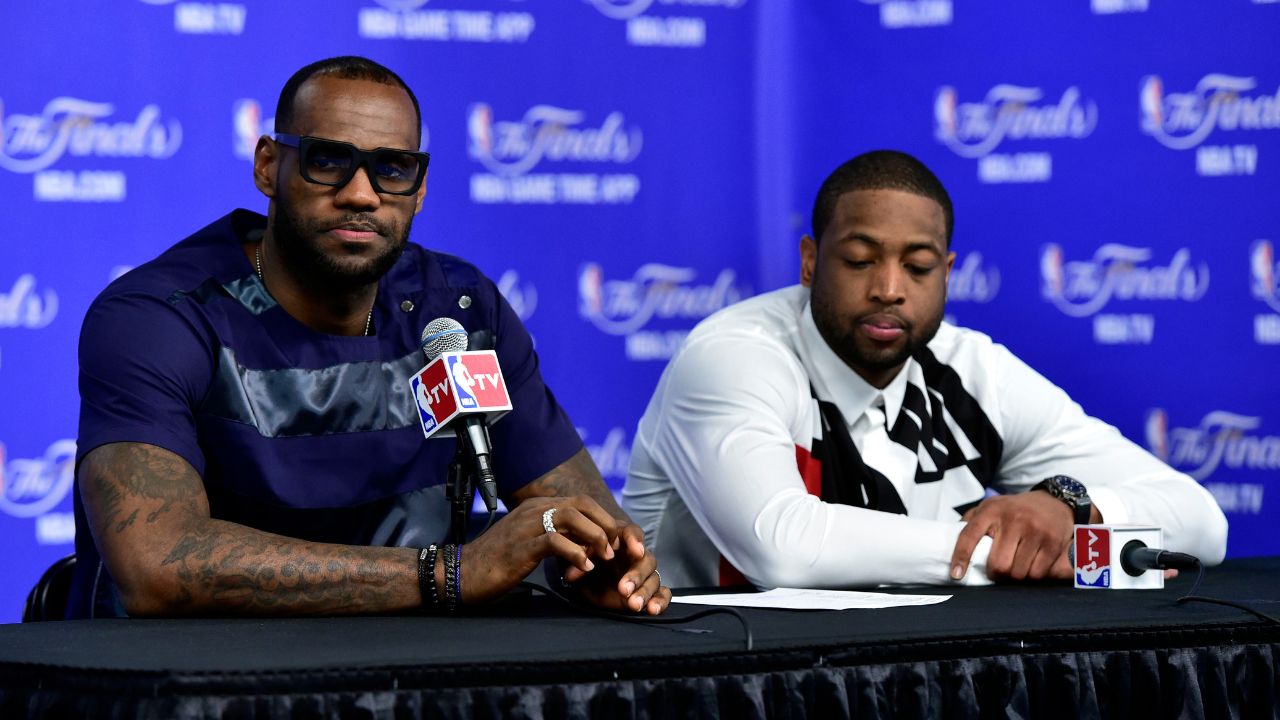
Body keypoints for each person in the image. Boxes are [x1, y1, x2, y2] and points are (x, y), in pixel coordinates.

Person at [70, 56, 669, 618]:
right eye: (328, 160)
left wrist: (609, 568)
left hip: (416, 678)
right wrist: (449, 574)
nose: (361, 194)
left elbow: (593, 525)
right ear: (267, 166)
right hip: (205, 687)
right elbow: (155, 564)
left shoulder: (458, 312)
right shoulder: (162, 315)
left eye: (391, 168)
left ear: (421, 186)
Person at [622, 150, 1228, 589]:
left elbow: (1203, 522)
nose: (889, 289)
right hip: (718, 679)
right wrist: (1023, 552)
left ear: (948, 272)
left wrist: (1072, 510)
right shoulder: (733, 354)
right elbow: (782, 548)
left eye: (917, 267)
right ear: (809, 261)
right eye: (859, 260)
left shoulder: (972, 368)